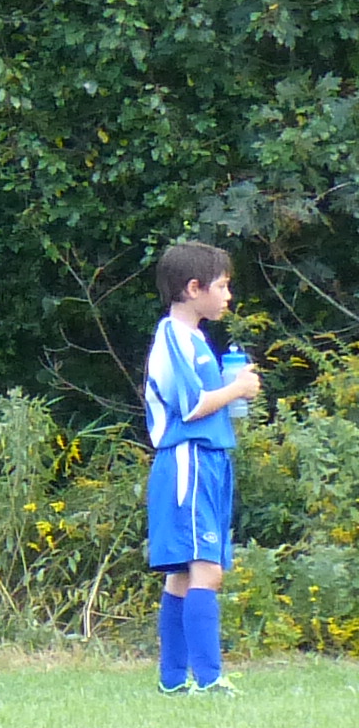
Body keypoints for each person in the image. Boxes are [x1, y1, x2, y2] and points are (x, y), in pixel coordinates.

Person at [144, 238, 260, 695]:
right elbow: (191, 406)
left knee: (181, 574)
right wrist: (238, 389)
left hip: (206, 460)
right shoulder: (174, 336)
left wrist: (229, 387)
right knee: (206, 569)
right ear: (194, 288)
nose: (228, 296)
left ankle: (173, 680)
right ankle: (209, 679)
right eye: (222, 285)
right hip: (189, 460)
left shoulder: (194, 339)